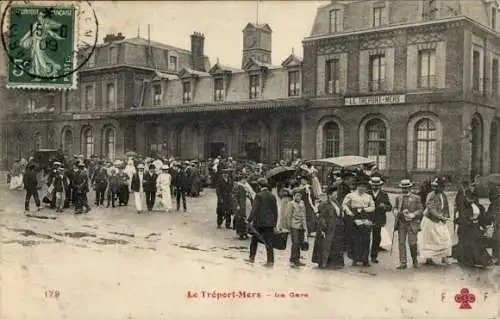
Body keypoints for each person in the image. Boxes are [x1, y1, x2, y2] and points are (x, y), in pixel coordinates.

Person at [452, 188, 493, 268]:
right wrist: (469, 220)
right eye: (469, 198)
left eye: (472, 198)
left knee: (477, 243)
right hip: (465, 229)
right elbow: (460, 219)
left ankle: (478, 259)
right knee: (468, 244)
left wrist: (484, 226)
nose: (471, 200)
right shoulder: (463, 207)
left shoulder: (479, 206)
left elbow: (482, 217)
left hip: (475, 228)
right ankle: (467, 260)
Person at [342, 178, 375, 267]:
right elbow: (344, 205)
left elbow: (373, 207)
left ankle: (365, 259)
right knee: (355, 239)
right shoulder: (351, 195)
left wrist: (365, 209)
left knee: (366, 239)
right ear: (357, 187)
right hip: (354, 217)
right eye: (360, 186)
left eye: (364, 187)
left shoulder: (368, 196)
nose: (362, 188)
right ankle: (355, 259)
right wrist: (349, 212)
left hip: (365, 217)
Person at [245, 178, 278, 267]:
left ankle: (251, 258)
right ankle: (270, 261)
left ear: (260, 186)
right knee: (269, 242)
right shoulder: (272, 196)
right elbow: (275, 211)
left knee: (254, 240)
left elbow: (254, 209)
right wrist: (274, 223)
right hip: (269, 223)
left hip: (259, 222)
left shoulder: (258, 196)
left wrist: (249, 220)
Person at [420, 177, 453, 266]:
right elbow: (431, 209)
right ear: (436, 187)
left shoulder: (444, 195)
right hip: (431, 220)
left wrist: (446, 217)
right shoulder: (431, 195)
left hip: (440, 221)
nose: (442, 188)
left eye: (443, 186)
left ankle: (444, 257)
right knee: (430, 240)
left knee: (445, 238)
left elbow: (446, 207)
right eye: (440, 186)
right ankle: (429, 258)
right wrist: (440, 217)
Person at [312, 185, 345, 269]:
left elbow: (339, 213)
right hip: (328, 227)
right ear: (330, 195)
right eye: (335, 193)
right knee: (325, 245)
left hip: (336, 227)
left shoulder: (336, 202)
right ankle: (323, 263)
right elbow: (321, 217)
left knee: (335, 245)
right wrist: (324, 228)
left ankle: (333, 263)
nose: (336, 195)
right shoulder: (324, 204)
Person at [393, 179, 423, 269]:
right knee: (401, 243)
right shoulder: (398, 198)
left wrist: (413, 214)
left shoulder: (416, 198)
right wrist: (395, 211)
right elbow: (394, 207)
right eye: (403, 188)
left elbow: (421, 210)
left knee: (412, 243)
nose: (405, 190)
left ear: (410, 187)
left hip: (412, 224)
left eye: (406, 188)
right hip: (401, 223)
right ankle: (403, 262)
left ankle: (414, 260)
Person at [368, 176, 393, 263]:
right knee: (365, 237)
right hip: (368, 217)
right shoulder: (367, 193)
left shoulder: (384, 194)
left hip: (379, 218)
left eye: (377, 185)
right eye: (373, 185)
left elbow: (390, 207)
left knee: (376, 238)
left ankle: (374, 256)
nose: (375, 187)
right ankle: (363, 256)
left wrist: (384, 207)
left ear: (380, 185)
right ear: (371, 185)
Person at [288, 188, 308, 268]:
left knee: (300, 242)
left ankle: (296, 258)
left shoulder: (302, 203)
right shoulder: (291, 204)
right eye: (296, 195)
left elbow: (304, 215)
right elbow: (288, 216)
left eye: (300, 195)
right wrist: (289, 226)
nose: (298, 197)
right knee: (295, 242)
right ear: (293, 196)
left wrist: (305, 226)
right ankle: (294, 259)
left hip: (301, 226)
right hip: (294, 225)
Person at [232, 173, 251, 239]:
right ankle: (240, 233)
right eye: (244, 179)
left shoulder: (244, 186)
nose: (245, 181)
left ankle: (245, 232)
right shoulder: (237, 186)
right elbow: (234, 197)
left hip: (244, 204)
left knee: (244, 218)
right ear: (242, 179)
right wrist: (237, 204)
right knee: (240, 219)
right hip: (240, 205)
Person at [487, 187, 500, 265]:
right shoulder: (493, 204)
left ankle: (496, 258)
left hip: (497, 226)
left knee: (496, 241)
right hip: (497, 225)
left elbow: (488, 217)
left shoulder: (494, 204)